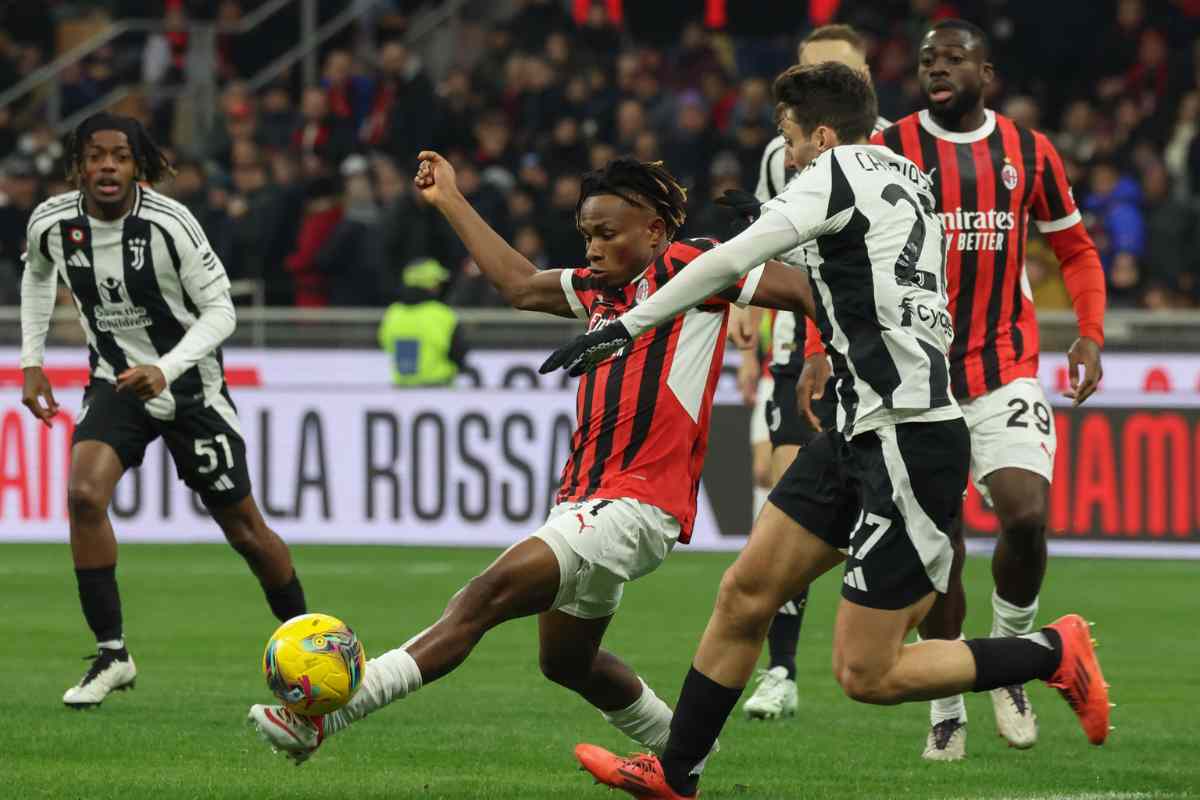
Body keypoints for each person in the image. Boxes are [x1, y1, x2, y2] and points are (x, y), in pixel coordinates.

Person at [547, 63, 1110, 800]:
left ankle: (1049, 650)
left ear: (819, 133)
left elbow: (725, 263)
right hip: (856, 426)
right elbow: (859, 267)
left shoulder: (833, 170)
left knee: (866, 674)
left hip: (908, 438)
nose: (788, 154)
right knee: (746, 592)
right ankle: (675, 774)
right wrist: (781, 223)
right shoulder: (907, 175)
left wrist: (626, 325)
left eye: (789, 136)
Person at [246, 154, 810, 764]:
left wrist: (825, 351)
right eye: (587, 235)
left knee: (483, 596)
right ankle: (686, 751)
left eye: (608, 234)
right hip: (588, 499)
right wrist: (452, 201)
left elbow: (804, 292)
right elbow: (518, 284)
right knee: (566, 661)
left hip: (639, 501)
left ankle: (328, 717)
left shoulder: (694, 267)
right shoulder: (598, 292)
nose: (593, 248)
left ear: (654, 230)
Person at [839, 18, 1105, 759]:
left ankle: (1013, 658)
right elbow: (847, 254)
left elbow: (1075, 247)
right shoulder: (890, 149)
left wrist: (1089, 331)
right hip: (921, 380)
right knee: (943, 547)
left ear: (986, 72)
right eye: (927, 60)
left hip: (1005, 366)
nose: (937, 68)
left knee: (1024, 513)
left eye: (954, 57)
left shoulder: (1029, 151)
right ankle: (947, 703)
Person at [19, 112, 307, 709]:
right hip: (116, 382)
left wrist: (166, 368)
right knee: (82, 496)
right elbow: (38, 277)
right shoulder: (50, 222)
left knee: (247, 533)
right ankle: (112, 653)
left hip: (190, 389)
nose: (106, 166)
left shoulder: (169, 223)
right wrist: (32, 360)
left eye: (119, 156)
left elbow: (221, 311)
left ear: (136, 165)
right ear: (78, 165)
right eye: (95, 155)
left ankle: (308, 641)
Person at [733, 21, 893, 724]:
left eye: (837, 70)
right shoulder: (781, 153)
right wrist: (749, 337)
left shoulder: (898, 148)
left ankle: (938, 672)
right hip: (802, 336)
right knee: (787, 488)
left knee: (901, 507)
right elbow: (776, 246)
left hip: (884, 351)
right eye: (810, 69)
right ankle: (782, 670)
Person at [377, 258, 468, 387]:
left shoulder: (393, 313)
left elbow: (385, 344)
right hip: (439, 390)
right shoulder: (442, 314)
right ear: (429, 284)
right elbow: (459, 353)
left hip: (403, 391)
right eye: (436, 281)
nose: (439, 286)